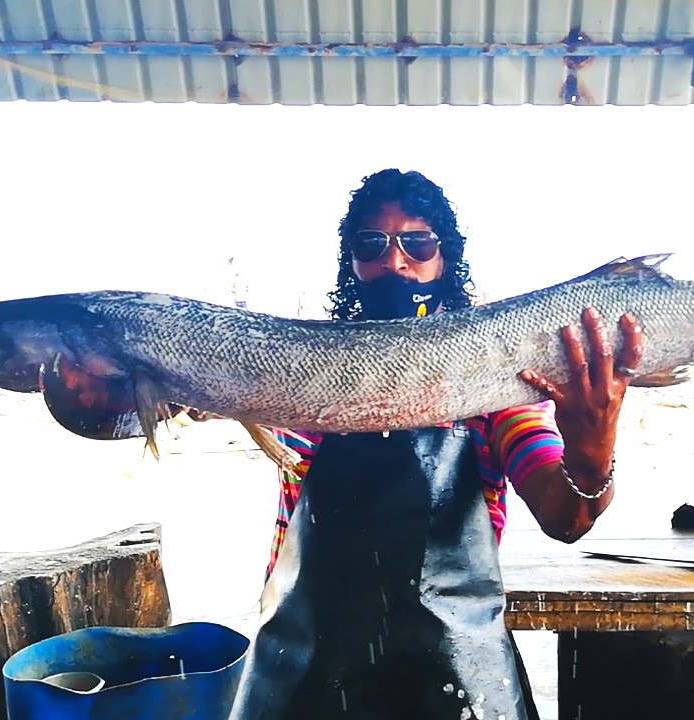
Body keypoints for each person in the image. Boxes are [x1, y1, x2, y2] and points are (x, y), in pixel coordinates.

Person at [229, 168, 644, 720]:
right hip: (310, 668)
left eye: (417, 242)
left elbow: (564, 516)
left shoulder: (495, 377)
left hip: (458, 678)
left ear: (444, 256)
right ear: (351, 261)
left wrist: (591, 451)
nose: (395, 261)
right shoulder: (306, 374)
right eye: (371, 244)